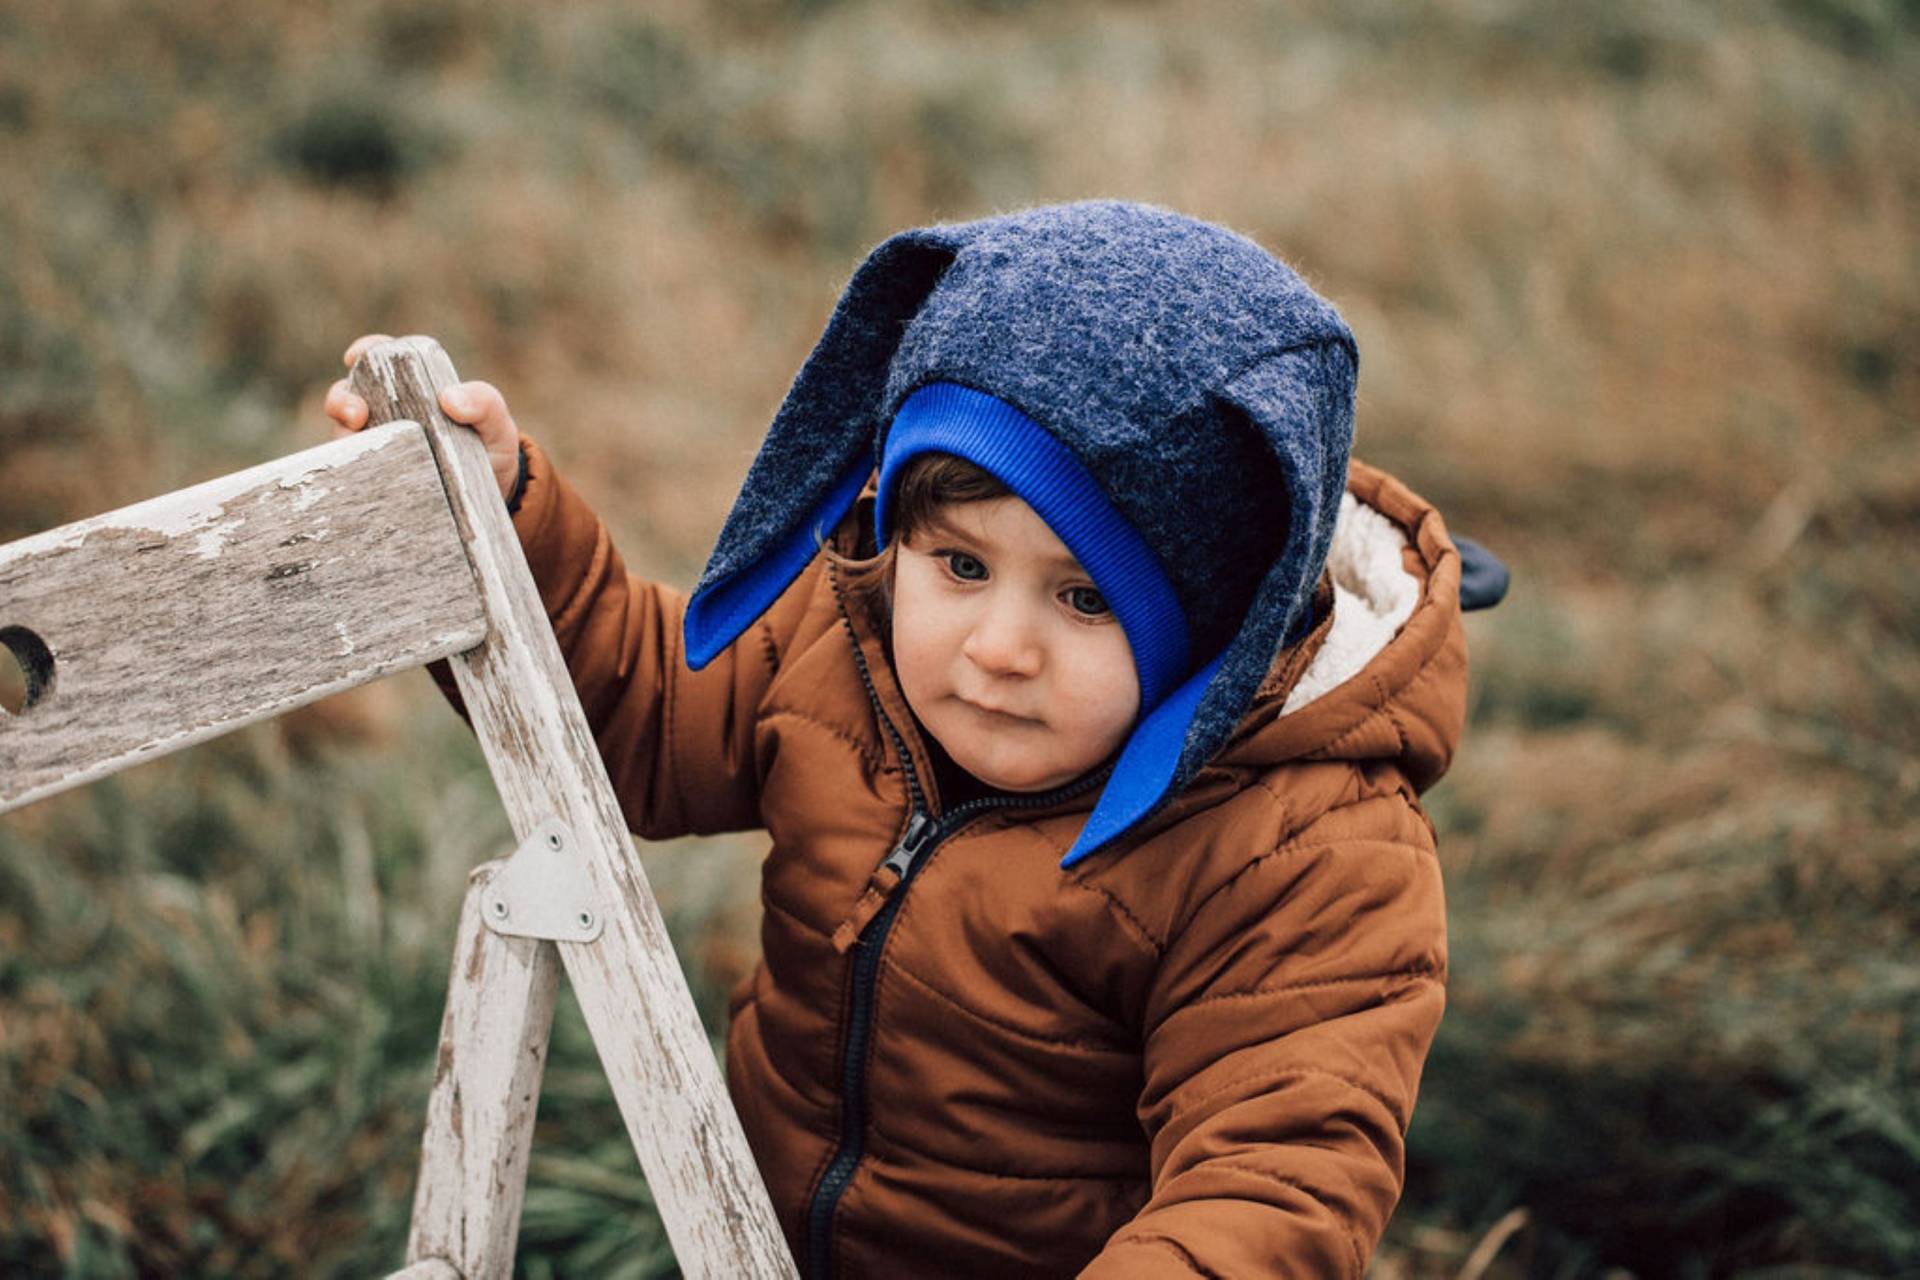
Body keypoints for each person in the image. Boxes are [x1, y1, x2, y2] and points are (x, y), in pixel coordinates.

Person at [325, 200, 1495, 1278]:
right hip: (755, 1236)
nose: (996, 647)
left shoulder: (1302, 851)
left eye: (1084, 599)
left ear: (1214, 634)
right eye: (962, 564)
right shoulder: (846, 639)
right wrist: (502, 519)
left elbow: (1273, 1182)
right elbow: (636, 711)